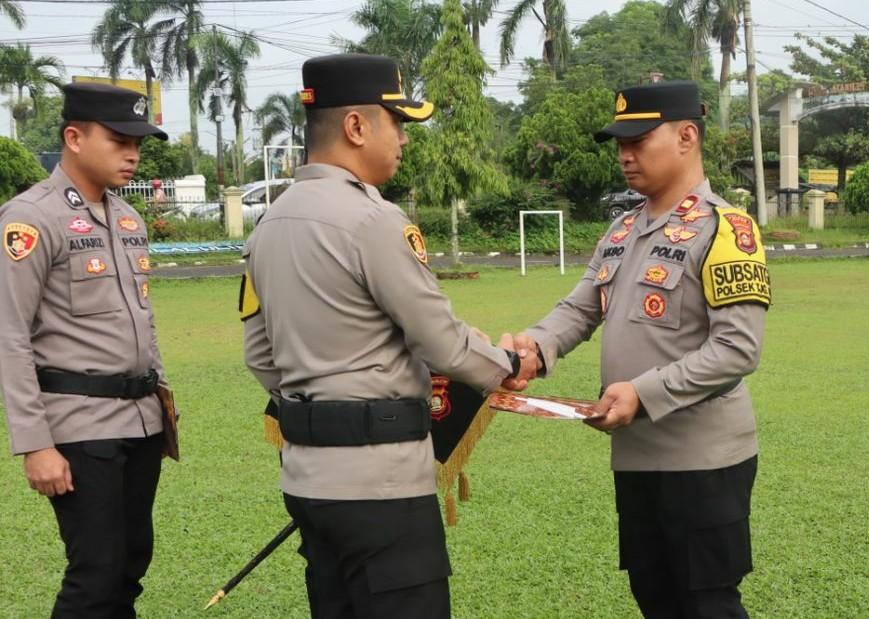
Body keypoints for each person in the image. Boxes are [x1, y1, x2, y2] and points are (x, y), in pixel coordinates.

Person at [241, 53, 538, 618]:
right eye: (395, 121)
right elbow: (443, 343)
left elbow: (261, 354)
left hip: (308, 479)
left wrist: (326, 391)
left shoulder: (268, 226)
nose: (402, 139)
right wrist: (508, 362)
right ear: (356, 127)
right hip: (381, 485)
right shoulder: (373, 221)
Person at [516, 81, 771, 618]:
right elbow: (581, 308)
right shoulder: (624, 227)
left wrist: (643, 392)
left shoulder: (727, 228)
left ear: (686, 136)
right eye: (619, 144)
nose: (625, 156)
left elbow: (737, 350)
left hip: (702, 461)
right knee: (654, 597)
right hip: (635, 458)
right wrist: (533, 349)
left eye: (639, 140)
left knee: (707, 604)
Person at [0, 82, 172, 618]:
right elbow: (9, 336)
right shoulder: (30, 219)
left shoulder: (128, 219)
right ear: (73, 137)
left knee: (129, 564)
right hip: (79, 426)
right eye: (120, 139)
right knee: (94, 573)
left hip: (140, 423)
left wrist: (163, 407)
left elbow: (143, 322)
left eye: (138, 142)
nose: (133, 153)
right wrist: (35, 444)